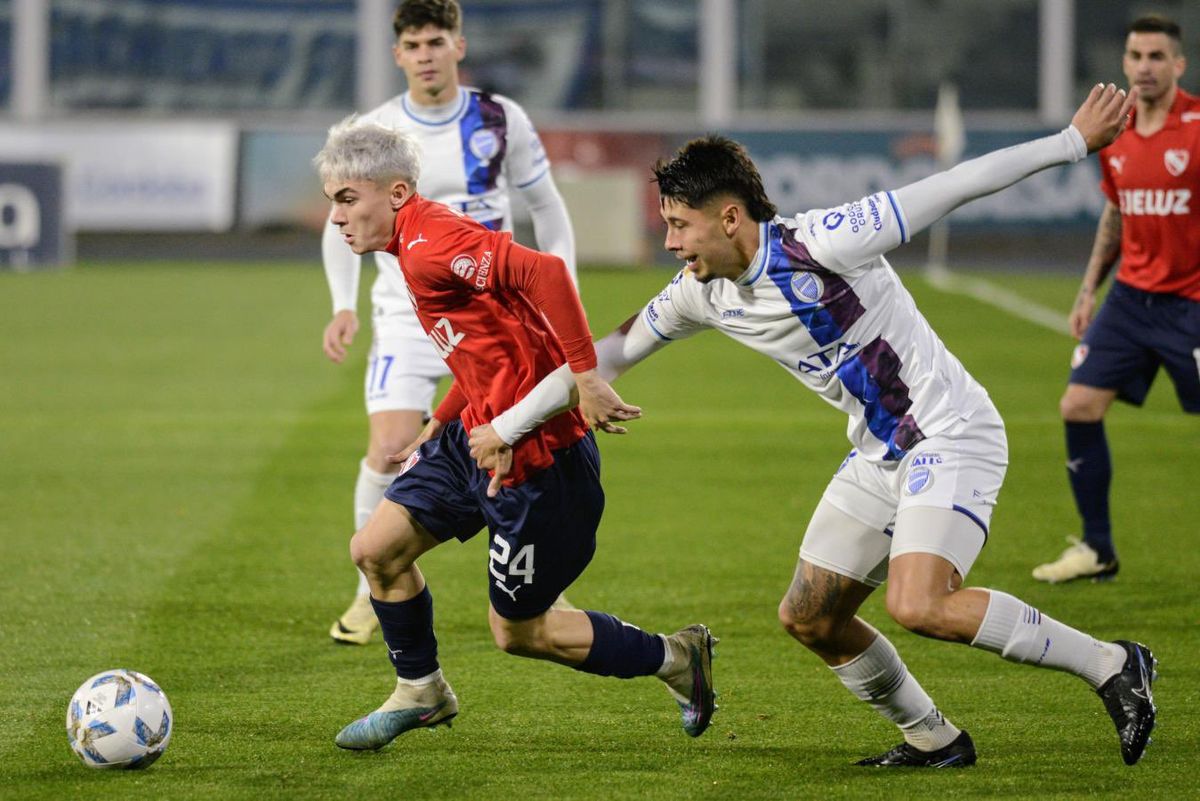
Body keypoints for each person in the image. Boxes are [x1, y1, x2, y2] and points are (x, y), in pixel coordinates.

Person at [468, 84, 1158, 767]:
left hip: (950, 433)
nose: (669, 240)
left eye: (680, 224)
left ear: (730, 216)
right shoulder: (698, 295)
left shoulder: (830, 240)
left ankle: (1112, 661)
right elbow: (601, 360)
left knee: (918, 603)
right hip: (879, 452)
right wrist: (509, 424)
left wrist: (1071, 142)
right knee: (809, 616)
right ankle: (933, 737)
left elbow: (954, 185)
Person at [312, 118, 716, 751]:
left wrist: (586, 377)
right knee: (375, 551)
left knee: (519, 633)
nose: (335, 219)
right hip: (474, 435)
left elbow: (547, 274)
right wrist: (439, 421)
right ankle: (421, 691)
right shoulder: (411, 246)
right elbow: (489, 344)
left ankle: (676, 657)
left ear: (394, 194)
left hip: (537, 462)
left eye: (345, 199)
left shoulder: (431, 242)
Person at [321, 0, 578, 645]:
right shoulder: (374, 130)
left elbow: (546, 206)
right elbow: (341, 223)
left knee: (519, 443)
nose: (427, 54)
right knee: (389, 451)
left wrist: (560, 293)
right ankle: (368, 592)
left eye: (438, 41)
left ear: (459, 45)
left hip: (493, 315)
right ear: (398, 54)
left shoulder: (500, 118)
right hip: (407, 318)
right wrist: (343, 304)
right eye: (415, 44)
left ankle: (541, 575)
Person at [1033, 15, 1200, 584]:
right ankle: (1098, 549)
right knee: (1077, 406)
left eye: (1157, 56)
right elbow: (1117, 211)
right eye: (1136, 56)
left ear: (1178, 64)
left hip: (1193, 304)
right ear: (1125, 63)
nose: (1145, 66)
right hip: (1131, 300)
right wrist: (1088, 289)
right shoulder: (1116, 131)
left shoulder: (1199, 127)